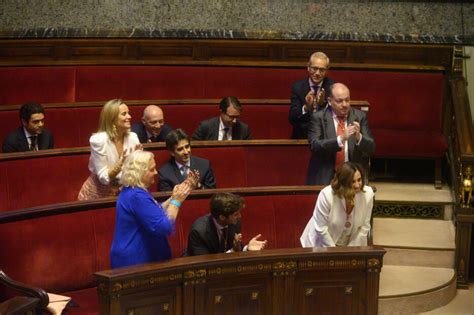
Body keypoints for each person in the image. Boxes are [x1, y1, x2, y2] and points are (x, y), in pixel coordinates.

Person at [110, 150, 193, 268]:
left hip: (140, 259)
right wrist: (176, 202)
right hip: (135, 263)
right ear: (140, 172)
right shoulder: (136, 196)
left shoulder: (133, 191)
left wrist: (175, 196)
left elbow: (156, 211)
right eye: (151, 169)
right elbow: (164, 227)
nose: (155, 172)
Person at [306, 83, 375, 185]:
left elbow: (371, 148)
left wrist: (358, 137)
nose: (345, 104)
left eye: (347, 100)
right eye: (340, 101)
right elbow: (315, 145)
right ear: (329, 101)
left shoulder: (359, 116)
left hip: (353, 176)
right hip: (328, 174)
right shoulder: (318, 117)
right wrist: (340, 139)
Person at [78, 99, 141, 200]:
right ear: (112, 119)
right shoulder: (99, 140)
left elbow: (137, 172)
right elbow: (104, 178)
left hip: (123, 192)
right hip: (97, 195)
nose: (129, 117)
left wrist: (140, 160)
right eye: (124, 114)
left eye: (128, 113)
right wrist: (120, 164)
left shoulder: (133, 137)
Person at [300, 162, 374, 248]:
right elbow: (321, 229)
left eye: (359, 180)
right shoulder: (326, 195)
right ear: (343, 182)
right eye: (352, 182)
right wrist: (335, 252)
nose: (357, 185)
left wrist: (351, 250)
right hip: (321, 244)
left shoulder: (368, 194)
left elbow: (364, 227)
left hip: (351, 246)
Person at [186, 192, 267, 256]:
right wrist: (233, 251)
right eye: (236, 214)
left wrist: (247, 249)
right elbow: (205, 264)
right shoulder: (199, 231)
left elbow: (233, 248)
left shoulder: (235, 223)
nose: (240, 216)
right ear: (222, 217)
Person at [289, 52, 335, 139]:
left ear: (327, 70)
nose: (317, 73)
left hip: (325, 138)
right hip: (302, 137)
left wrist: (323, 105)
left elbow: (336, 117)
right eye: (314, 68)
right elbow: (292, 119)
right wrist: (306, 107)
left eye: (322, 70)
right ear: (308, 67)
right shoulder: (298, 87)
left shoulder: (332, 87)